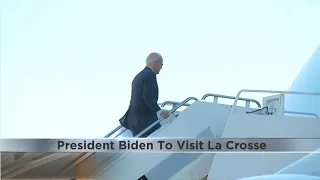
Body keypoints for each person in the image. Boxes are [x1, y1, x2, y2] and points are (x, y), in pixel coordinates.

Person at [119, 52, 170, 138]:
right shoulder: (150, 75)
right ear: (156, 62)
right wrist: (160, 112)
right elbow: (147, 97)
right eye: (161, 64)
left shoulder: (139, 76)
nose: (161, 67)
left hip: (134, 120)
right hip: (144, 120)